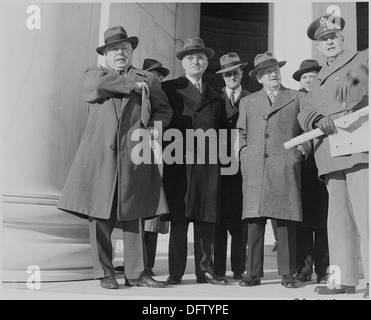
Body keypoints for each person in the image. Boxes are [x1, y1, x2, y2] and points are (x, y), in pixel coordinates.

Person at [57, 26, 173, 289]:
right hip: (99, 157)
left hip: (134, 154)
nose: (120, 53)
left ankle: (136, 273)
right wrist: (132, 86)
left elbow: (164, 109)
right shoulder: (95, 74)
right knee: (99, 215)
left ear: (131, 52)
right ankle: (104, 272)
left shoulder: (149, 79)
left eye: (124, 49)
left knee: (135, 213)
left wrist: (155, 124)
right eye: (114, 50)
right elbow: (95, 86)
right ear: (106, 54)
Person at [298, 14, 369, 298]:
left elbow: (357, 93)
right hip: (330, 153)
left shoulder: (362, 60)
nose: (328, 43)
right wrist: (316, 119)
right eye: (322, 40)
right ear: (317, 47)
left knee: (367, 218)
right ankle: (343, 280)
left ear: (341, 38)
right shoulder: (315, 83)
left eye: (332, 38)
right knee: (338, 221)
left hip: (358, 148)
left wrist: (339, 114)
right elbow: (304, 110)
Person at [236, 51, 311, 289]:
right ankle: (253, 273)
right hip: (256, 167)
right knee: (254, 222)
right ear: (258, 78)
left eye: (275, 70)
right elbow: (241, 133)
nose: (273, 74)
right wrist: (243, 153)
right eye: (267, 72)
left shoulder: (296, 97)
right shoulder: (247, 102)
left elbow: (306, 131)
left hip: (285, 165)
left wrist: (300, 153)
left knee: (286, 222)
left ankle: (288, 273)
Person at [161, 37, 228, 286]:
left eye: (200, 57)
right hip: (179, 163)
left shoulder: (214, 93)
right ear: (183, 63)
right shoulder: (170, 89)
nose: (196, 61)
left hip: (208, 165)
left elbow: (223, 131)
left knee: (205, 219)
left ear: (207, 62)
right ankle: (175, 272)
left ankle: (205, 271)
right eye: (190, 58)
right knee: (180, 220)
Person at [292, 59, 330, 284]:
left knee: (324, 221)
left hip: (325, 162)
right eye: (305, 77)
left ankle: (323, 269)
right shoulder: (294, 101)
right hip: (302, 165)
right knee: (303, 221)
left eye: (312, 76)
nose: (308, 80)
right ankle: (303, 268)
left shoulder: (326, 98)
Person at [213, 52, 249, 280]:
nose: (231, 77)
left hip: (243, 169)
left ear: (241, 73)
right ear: (223, 77)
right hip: (218, 168)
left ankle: (238, 267)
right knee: (218, 220)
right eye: (227, 74)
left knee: (240, 221)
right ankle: (217, 269)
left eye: (235, 72)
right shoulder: (215, 99)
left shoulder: (251, 98)